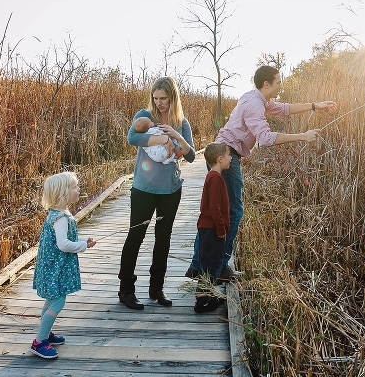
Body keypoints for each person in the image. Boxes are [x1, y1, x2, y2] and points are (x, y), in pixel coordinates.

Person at [186, 65, 338, 280]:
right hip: (225, 156)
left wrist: (315, 106)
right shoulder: (254, 104)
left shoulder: (257, 99)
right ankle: (218, 267)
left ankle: (197, 265)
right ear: (266, 84)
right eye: (278, 83)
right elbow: (266, 138)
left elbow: (283, 109)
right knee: (233, 212)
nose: (280, 87)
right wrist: (303, 136)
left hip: (224, 152)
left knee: (215, 211)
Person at [119, 76, 196, 310]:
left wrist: (176, 135)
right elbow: (132, 137)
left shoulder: (181, 122)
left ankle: (156, 289)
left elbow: (191, 155)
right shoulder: (144, 115)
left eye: (163, 98)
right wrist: (164, 137)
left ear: (172, 98)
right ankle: (126, 290)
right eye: (156, 98)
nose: (159, 103)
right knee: (136, 237)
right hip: (143, 189)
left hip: (171, 190)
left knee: (163, 239)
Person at [30, 171, 96, 359]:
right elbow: (63, 244)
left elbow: (68, 239)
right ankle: (39, 341)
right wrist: (82, 246)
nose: (78, 189)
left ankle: (46, 332)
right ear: (62, 193)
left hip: (51, 267)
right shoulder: (60, 218)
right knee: (57, 301)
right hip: (55, 269)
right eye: (74, 187)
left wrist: (83, 239)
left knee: (52, 299)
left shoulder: (59, 213)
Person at [194, 142, 232, 313]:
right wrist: (221, 228)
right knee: (210, 263)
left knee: (210, 262)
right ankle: (202, 302)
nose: (231, 158)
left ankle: (208, 295)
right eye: (229, 155)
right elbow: (215, 207)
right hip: (212, 229)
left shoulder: (212, 176)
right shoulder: (216, 178)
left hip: (208, 228)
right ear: (220, 158)